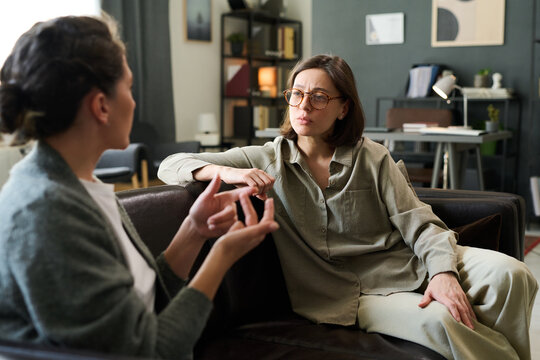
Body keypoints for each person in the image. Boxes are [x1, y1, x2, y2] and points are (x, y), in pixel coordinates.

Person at [158, 54, 538, 360]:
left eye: (319, 97)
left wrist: (442, 272)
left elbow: (419, 222)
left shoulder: (372, 157)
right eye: (296, 94)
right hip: (352, 294)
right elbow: (170, 166)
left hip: (409, 261)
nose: (303, 105)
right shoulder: (265, 158)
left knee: (514, 274)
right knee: (444, 322)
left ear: (343, 108)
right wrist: (227, 170)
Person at [0, 15, 278, 360]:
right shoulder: (45, 211)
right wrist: (222, 256)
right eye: (129, 88)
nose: (134, 102)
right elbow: (149, 351)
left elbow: (144, 302)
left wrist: (193, 231)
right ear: (101, 106)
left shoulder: (81, 185)